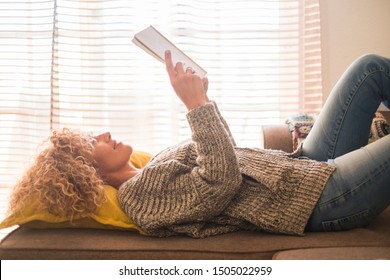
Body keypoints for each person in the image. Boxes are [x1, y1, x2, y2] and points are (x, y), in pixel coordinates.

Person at [8, 52, 390, 238]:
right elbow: (220, 183)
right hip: (319, 200)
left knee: (368, 69)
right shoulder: (138, 200)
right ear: (87, 170)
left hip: (303, 166)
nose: (105, 134)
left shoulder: (150, 166)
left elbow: (227, 155)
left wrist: (204, 101)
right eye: (94, 141)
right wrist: (195, 106)